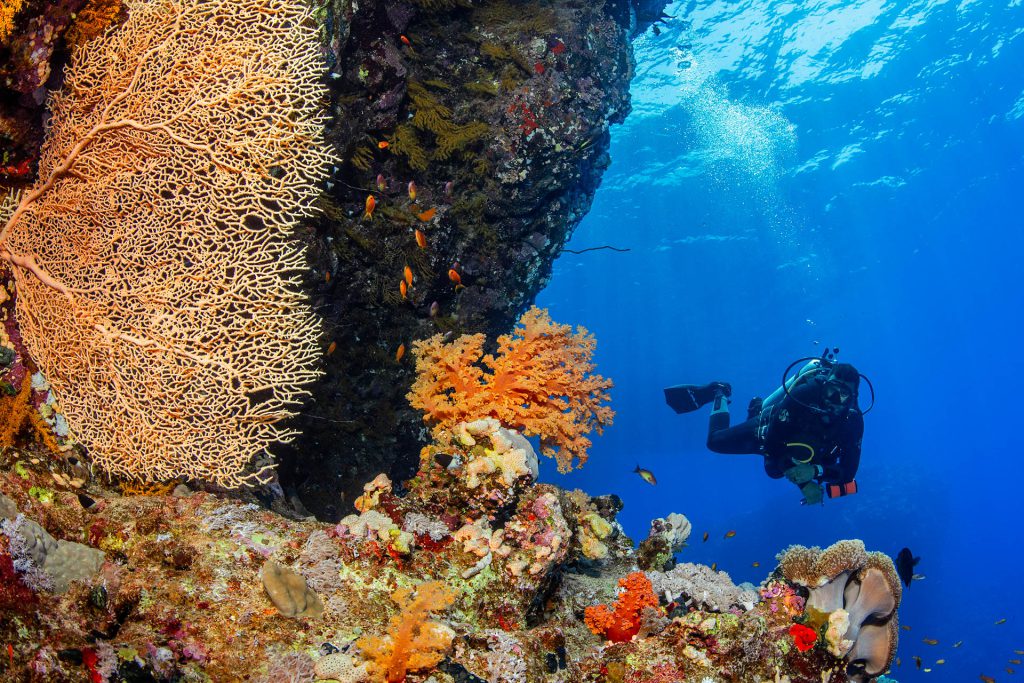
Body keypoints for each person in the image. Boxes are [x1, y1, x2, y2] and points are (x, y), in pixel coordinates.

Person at [665, 356, 866, 505]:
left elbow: (848, 473)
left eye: (842, 395)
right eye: (831, 390)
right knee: (715, 442)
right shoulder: (804, 394)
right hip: (773, 430)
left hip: (811, 455)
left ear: (853, 397)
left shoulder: (853, 422)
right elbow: (772, 444)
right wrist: (805, 484)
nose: (833, 400)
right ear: (824, 386)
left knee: (779, 471)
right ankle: (719, 392)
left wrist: (814, 471)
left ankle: (754, 409)